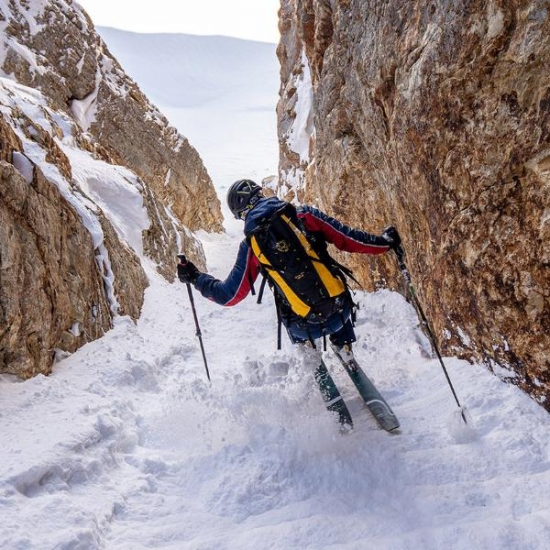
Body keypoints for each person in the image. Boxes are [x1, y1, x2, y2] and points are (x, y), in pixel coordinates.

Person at [177, 179, 401, 362]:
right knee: (332, 284)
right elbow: (350, 239)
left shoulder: (251, 245)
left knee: (286, 306)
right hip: (340, 313)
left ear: (241, 214)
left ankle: (310, 359)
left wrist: (195, 277)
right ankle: (345, 347)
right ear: (261, 194)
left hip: (304, 325)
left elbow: (229, 296)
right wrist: (386, 242)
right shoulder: (304, 215)